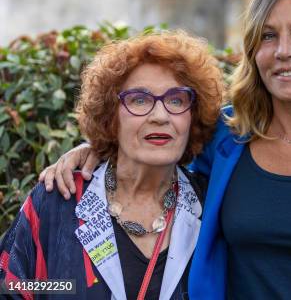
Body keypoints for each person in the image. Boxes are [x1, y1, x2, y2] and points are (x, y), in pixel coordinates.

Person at [38, 0, 291, 299]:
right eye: (268, 35)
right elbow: (153, 144)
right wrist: (96, 150)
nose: (284, 51)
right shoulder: (225, 136)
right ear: (253, 51)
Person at [1, 31, 223, 299]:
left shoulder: (213, 207)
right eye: (139, 99)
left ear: (193, 115)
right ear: (111, 116)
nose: (160, 115)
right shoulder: (58, 201)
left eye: (177, 100)